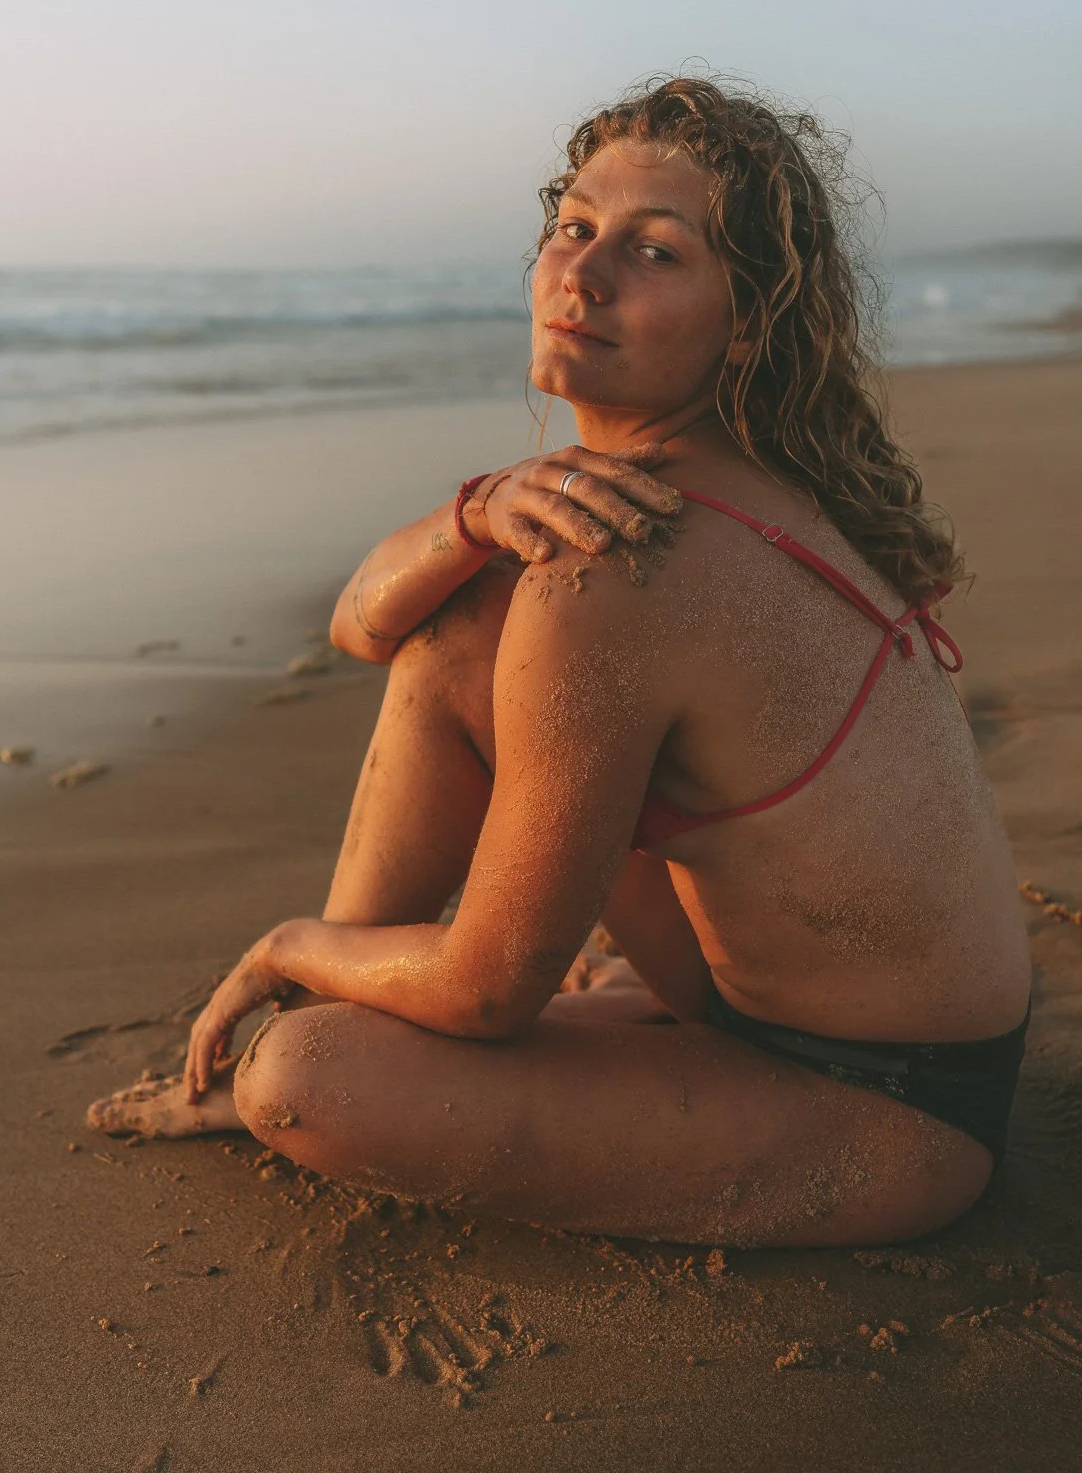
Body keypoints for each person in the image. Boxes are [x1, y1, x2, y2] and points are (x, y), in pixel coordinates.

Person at [90, 77, 1030, 1248]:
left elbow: (487, 994)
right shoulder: (700, 491)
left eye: (652, 252)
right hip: (786, 1013)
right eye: (573, 229)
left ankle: (293, 1012)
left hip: (880, 1105)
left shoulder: (623, 572)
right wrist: (473, 513)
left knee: (305, 1080)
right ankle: (317, 1000)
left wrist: (291, 944)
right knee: (460, 619)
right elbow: (371, 626)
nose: (580, 276)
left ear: (745, 324)